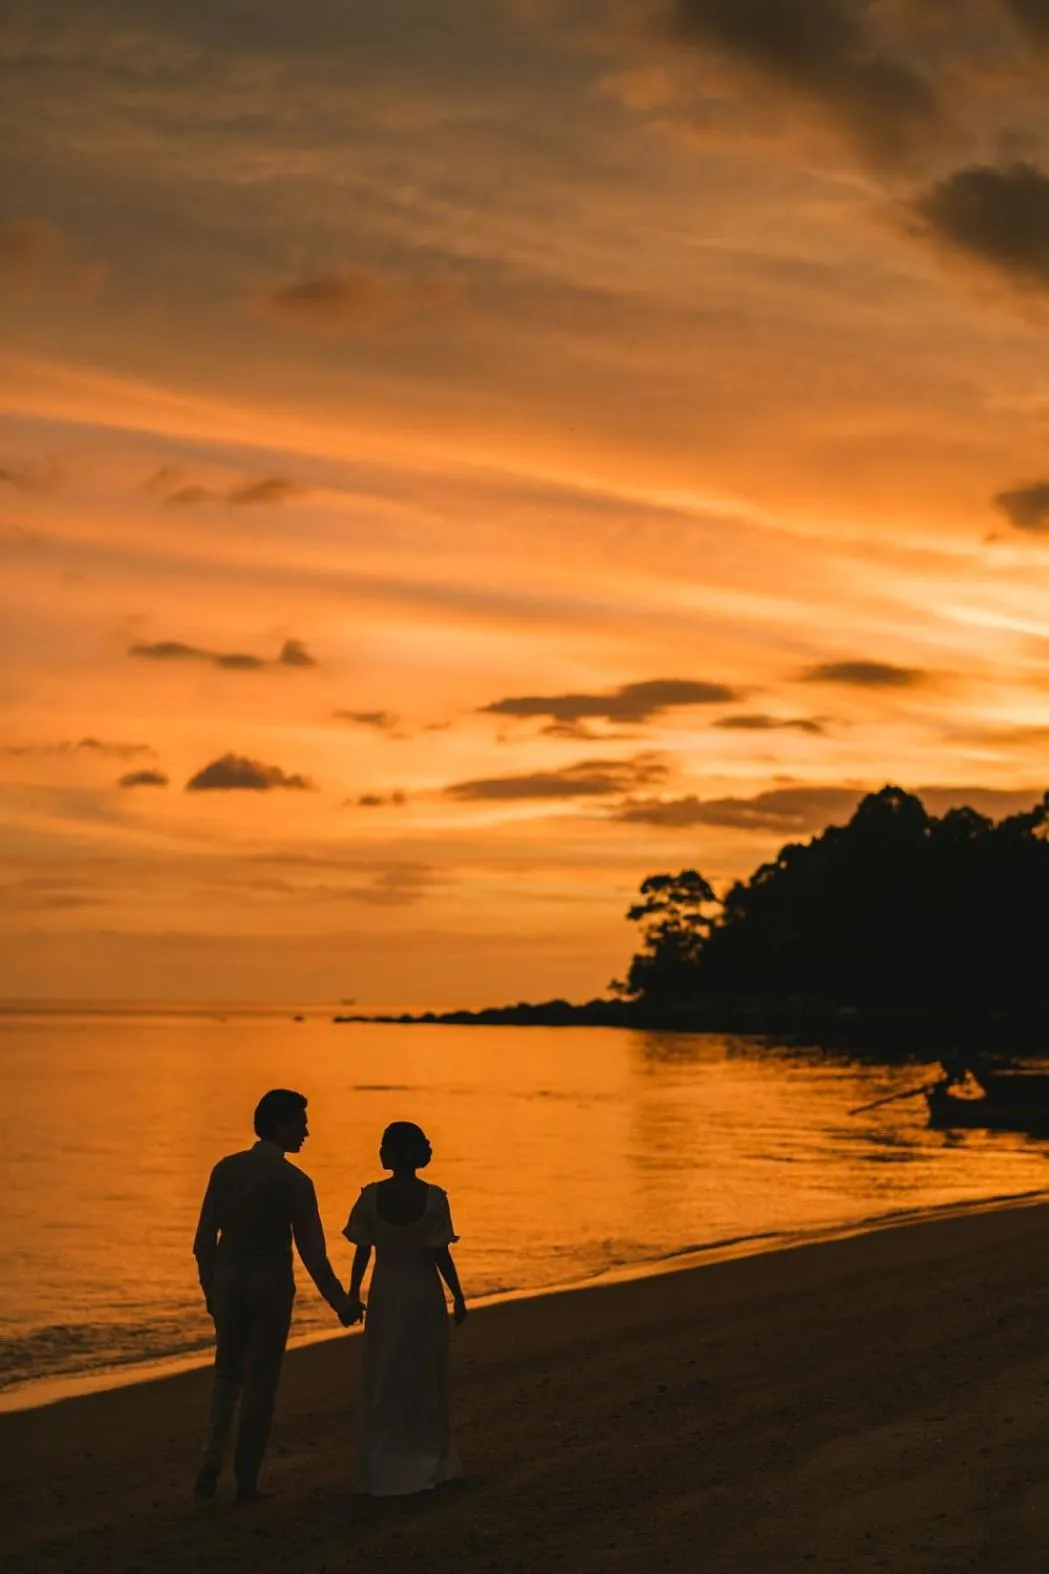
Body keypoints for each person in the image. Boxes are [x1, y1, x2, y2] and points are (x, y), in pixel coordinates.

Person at [192, 1088, 353, 1503]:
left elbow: (203, 1241)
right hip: (269, 1283)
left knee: (226, 1372)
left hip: (228, 1279)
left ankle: (210, 1460)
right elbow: (312, 1252)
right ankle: (246, 1480)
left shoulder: (225, 1169)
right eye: (300, 1122)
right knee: (261, 1383)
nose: (306, 1131)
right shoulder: (294, 1182)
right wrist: (341, 1302)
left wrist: (210, 1288)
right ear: (279, 1125)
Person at [343, 1121, 466, 1496]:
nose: (379, 1152)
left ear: (395, 1153)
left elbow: (362, 1250)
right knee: (424, 1371)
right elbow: (439, 1253)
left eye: (384, 1146)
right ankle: (427, 1456)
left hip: (387, 1291)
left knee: (385, 1369)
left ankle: (384, 1459)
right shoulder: (434, 1198)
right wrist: (457, 1295)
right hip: (423, 1291)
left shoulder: (370, 1198)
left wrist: (352, 1293)